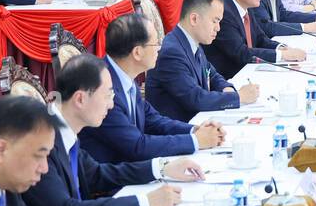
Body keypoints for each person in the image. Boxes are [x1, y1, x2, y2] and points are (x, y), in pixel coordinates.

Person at [23, 55, 202, 206]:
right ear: (80, 99)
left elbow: (97, 175)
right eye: (107, 95)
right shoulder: (41, 142)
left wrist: (163, 168)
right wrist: (145, 202)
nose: (110, 105)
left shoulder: (65, 130)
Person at [79, 13, 226, 163]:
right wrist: (195, 141)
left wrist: (195, 130)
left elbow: (153, 120)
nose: (159, 48)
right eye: (155, 43)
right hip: (113, 180)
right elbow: (137, 147)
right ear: (137, 52)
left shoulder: (121, 73)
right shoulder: (103, 88)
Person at [145, 0, 260, 122]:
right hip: (179, 132)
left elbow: (211, 74)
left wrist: (226, 88)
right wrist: (239, 96)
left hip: (199, 122)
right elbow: (196, 98)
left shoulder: (191, 42)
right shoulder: (172, 53)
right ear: (194, 19)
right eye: (214, 21)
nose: (218, 28)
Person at [208, 0, 305, 79]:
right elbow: (241, 53)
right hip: (232, 80)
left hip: (251, 72)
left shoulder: (246, 6)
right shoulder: (223, 12)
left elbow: (261, 39)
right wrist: (282, 55)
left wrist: (282, 48)